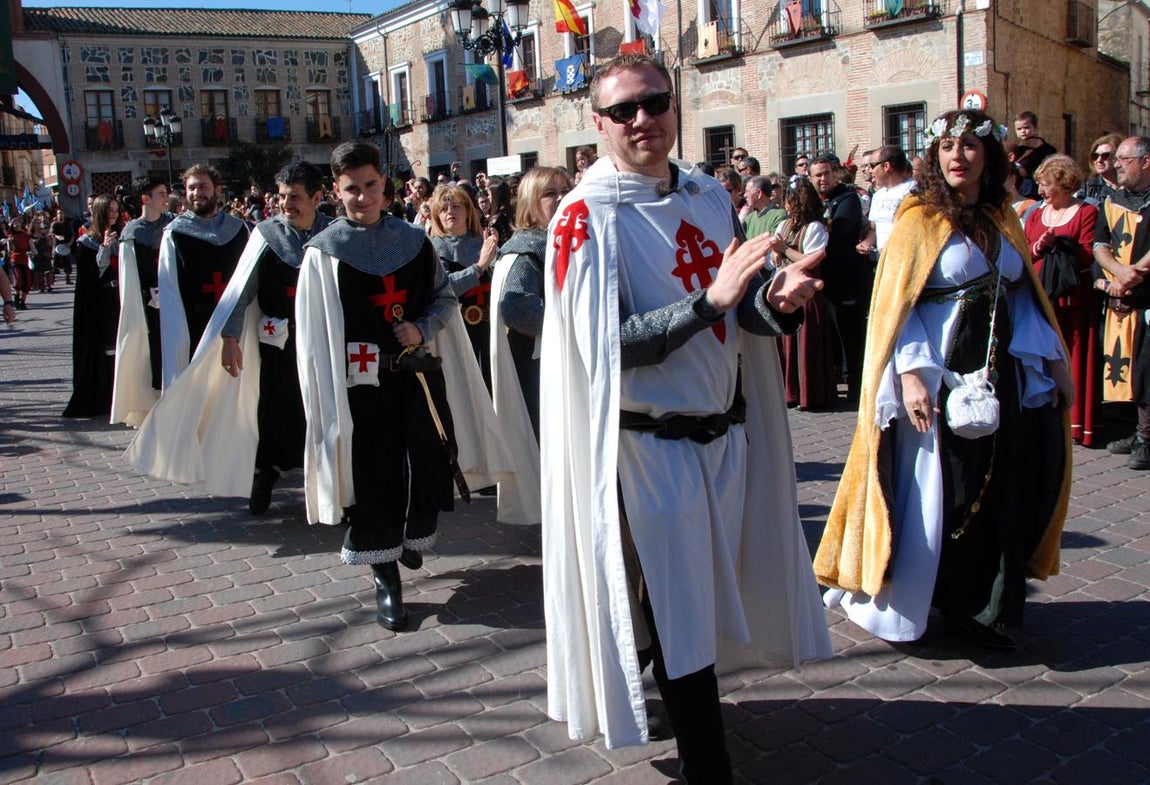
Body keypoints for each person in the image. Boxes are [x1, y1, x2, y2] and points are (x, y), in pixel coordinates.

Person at [540, 53, 832, 782]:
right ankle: (709, 762)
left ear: (674, 105)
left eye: (656, 102)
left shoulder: (707, 195)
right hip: (648, 446)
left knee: (694, 597)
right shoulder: (584, 217)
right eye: (624, 110)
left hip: (724, 434)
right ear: (599, 122)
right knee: (679, 603)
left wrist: (775, 303)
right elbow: (603, 346)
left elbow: (741, 314)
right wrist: (708, 303)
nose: (643, 119)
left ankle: (666, 690)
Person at [815, 109, 1072, 650]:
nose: (959, 156)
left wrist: (1053, 363)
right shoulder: (917, 220)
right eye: (948, 147)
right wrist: (911, 376)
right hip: (939, 379)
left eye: (971, 145)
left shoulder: (1002, 217)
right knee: (944, 489)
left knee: (1000, 483)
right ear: (935, 156)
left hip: (1000, 376)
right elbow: (897, 307)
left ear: (989, 156)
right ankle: (937, 597)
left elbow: (1022, 295)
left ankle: (987, 608)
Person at [294, 140, 513, 631]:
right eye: (352, 189)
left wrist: (422, 327)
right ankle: (385, 575)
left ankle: (409, 538)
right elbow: (313, 336)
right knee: (375, 476)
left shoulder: (414, 242)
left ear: (384, 186)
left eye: (370, 185)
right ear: (336, 192)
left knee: (428, 463)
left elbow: (443, 299)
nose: (363, 196)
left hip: (416, 376)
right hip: (359, 388)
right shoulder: (324, 254)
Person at [218, 162, 333, 514]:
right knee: (273, 411)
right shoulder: (266, 235)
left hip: (323, 343)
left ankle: (333, 485)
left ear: (316, 197)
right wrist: (230, 338)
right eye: (282, 196)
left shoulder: (335, 233)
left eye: (295, 197)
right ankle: (265, 473)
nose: (285, 204)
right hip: (278, 344)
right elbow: (242, 290)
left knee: (323, 412)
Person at [487, 166, 572, 525]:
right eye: (550, 193)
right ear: (529, 202)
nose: (562, 198)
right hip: (541, 366)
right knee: (551, 443)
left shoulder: (567, 238)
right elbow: (517, 308)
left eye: (566, 189)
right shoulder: (527, 250)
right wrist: (575, 325)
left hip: (563, 358)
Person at [1024, 155, 1099, 446]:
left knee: (1073, 353)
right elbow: (1025, 249)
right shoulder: (1035, 215)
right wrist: (1040, 246)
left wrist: (1061, 245)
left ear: (1064, 183)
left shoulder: (1085, 212)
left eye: (1046, 184)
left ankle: (1076, 421)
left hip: (1072, 298)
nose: (1040, 190)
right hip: (1040, 294)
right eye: (1039, 184)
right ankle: (1041, 414)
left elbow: (1088, 254)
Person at [157, 165, 249, 390]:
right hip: (194, 328)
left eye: (203, 187)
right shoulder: (175, 234)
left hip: (236, 325)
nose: (197, 193)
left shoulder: (240, 230)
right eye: (191, 188)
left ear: (217, 189)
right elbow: (169, 290)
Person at [1094, 136, 1150, 467]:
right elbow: (1100, 244)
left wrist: (1132, 274)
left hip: (1145, 296)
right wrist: (1116, 273)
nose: (1116, 165)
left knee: (1146, 369)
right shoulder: (1113, 201)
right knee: (1127, 367)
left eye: (1123, 159)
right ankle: (1137, 430)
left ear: (1146, 162)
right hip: (1121, 295)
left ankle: (1146, 437)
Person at [112, 177, 176, 427]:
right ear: (145, 199)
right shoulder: (132, 233)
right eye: (161, 194)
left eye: (166, 193)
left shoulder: (174, 225)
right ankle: (151, 407)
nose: (166, 198)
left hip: (174, 301)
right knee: (150, 354)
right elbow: (130, 276)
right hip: (147, 306)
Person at [768, 179, 835, 409]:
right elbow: (774, 261)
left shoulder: (814, 227)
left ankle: (810, 395)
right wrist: (776, 253)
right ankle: (789, 393)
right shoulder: (784, 225)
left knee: (806, 345)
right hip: (784, 289)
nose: (785, 205)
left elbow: (810, 260)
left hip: (806, 293)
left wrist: (784, 249)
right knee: (786, 342)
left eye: (789, 200)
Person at [809, 152, 871, 402]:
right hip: (824, 280)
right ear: (810, 178)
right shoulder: (813, 200)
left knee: (850, 334)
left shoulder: (848, 198)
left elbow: (837, 230)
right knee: (831, 335)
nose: (823, 179)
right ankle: (834, 383)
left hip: (847, 278)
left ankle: (856, 387)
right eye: (818, 175)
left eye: (826, 174)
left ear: (834, 174)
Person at [428, 184, 500, 389]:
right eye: (444, 208)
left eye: (456, 206)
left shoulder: (483, 241)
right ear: (437, 216)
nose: (450, 211)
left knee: (494, 384)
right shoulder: (434, 247)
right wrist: (479, 267)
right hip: (457, 329)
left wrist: (496, 254)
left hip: (490, 327)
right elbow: (445, 287)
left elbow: (500, 278)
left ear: (468, 211)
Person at [63, 194, 122, 418]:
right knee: (105, 348)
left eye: (116, 210)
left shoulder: (122, 236)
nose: (114, 214)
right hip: (100, 302)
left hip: (120, 297)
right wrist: (104, 248)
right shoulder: (86, 242)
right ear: (100, 212)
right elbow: (91, 277)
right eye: (110, 210)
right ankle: (103, 398)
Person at [857, 145, 916, 261]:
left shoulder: (914, 190)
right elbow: (874, 228)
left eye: (872, 165)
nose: (870, 171)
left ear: (886, 166)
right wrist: (867, 242)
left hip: (906, 259)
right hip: (883, 260)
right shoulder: (878, 195)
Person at [1012, 110, 1058, 198]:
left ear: (1035, 128)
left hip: (1032, 186)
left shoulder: (1039, 146)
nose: (1023, 131)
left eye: (1026, 128)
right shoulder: (1020, 146)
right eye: (1019, 129)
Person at [1081, 133, 1122, 205]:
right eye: (1095, 156)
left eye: (1105, 155)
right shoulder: (1087, 188)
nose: (1099, 160)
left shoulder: (1131, 185)